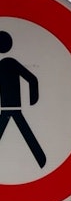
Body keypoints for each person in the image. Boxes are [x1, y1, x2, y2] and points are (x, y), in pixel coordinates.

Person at [0, 30, 47, 168]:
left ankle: (42, 160)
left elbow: (32, 79)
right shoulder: (12, 64)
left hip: (7, 107)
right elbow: (32, 80)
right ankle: (42, 161)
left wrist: (33, 100)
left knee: (26, 133)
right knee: (27, 133)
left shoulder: (5, 65)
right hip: (14, 107)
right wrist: (32, 99)